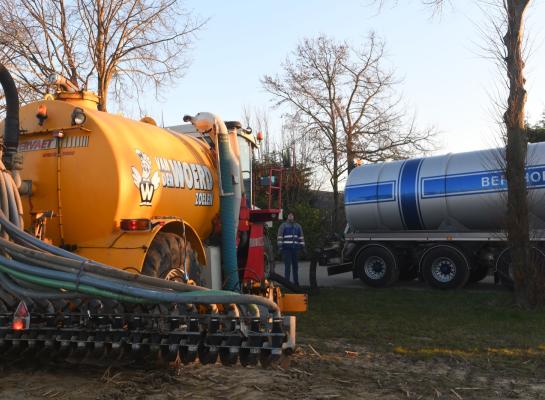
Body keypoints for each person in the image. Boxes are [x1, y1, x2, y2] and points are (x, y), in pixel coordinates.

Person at [277, 212, 305, 286]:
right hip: (286, 249)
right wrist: (280, 247)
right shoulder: (283, 226)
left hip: (295, 249)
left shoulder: (298, 226)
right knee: (287, 267)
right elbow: (280, 237)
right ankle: (287, 283)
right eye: (289, 215)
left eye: (292, 215)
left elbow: (301, 237)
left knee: (295, 267)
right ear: (287, 217)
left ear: (293, 217)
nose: (290, 216)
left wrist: (303, 247)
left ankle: (296, 283)